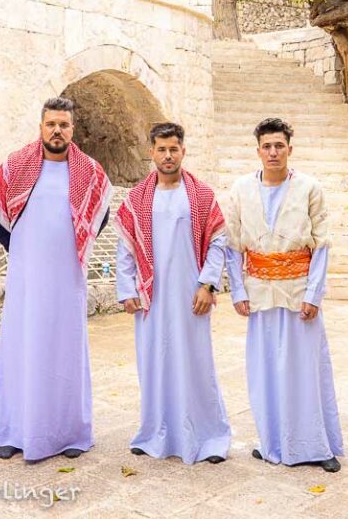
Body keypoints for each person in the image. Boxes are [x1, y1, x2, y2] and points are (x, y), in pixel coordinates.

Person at [0, 96, 113, 462]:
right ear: (41, 126)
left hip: (67, 275)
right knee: (19, 347)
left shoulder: (89, 171)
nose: (57, 131)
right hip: (26, 275)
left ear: (73, 129)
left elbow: (99, 216)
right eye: (51, 124)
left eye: (64, 125)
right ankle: (13, 431)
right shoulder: (15, 166)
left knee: (65, 349)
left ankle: (70, 433)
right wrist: (22, 247)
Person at [224, 117, 344, 472]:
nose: (273, 152)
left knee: (304, 369)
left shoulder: (310, 188)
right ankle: (273, 442)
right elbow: (232, 245)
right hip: (259, 293)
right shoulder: (241, 189)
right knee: (265, 370)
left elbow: (321, 246)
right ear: (258, 150)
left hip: (298, 293)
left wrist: (313, 293)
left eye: (279, 146)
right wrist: (238, 290)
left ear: (290, 148)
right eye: (267, 146)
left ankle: (314, 445)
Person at [114, 122, 232, 464]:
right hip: (152, 298)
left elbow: (218, 242)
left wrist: (207, 284)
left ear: (183, 151)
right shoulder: (137, 198)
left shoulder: (201, 195)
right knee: (154, 362)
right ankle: (155, 434)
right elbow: (126, 249)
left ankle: (208, 436)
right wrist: (126, 289)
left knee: (196, 363)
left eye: (174, 149)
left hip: (191, 295)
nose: (168, 155)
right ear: (151, 151)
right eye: (161, 149)